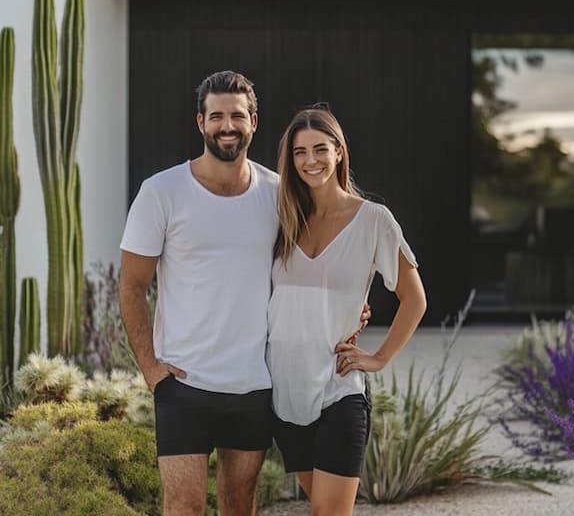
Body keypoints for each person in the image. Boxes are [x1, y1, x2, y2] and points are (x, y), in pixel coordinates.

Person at [119, 71, 369, 516]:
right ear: (200, 122)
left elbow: (315, 261)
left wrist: (349, 306)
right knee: (184, 506)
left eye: (237, 116)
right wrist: (152, 370)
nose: (227, 126)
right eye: (216, 116)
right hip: (183, 384)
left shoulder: (279, 194)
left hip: (254, 383)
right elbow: (132, 285)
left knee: (240, 506)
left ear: (253, 121)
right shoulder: (161, 193)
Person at [269, 104, 426, 516]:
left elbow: (415, 299)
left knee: (328, 513)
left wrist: (379, 358)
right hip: (285, 391)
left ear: (339, 151)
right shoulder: (283, 218)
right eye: (300, 152)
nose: (310, 161)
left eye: (320, 149)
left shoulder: (373, 220)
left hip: (339, 388)